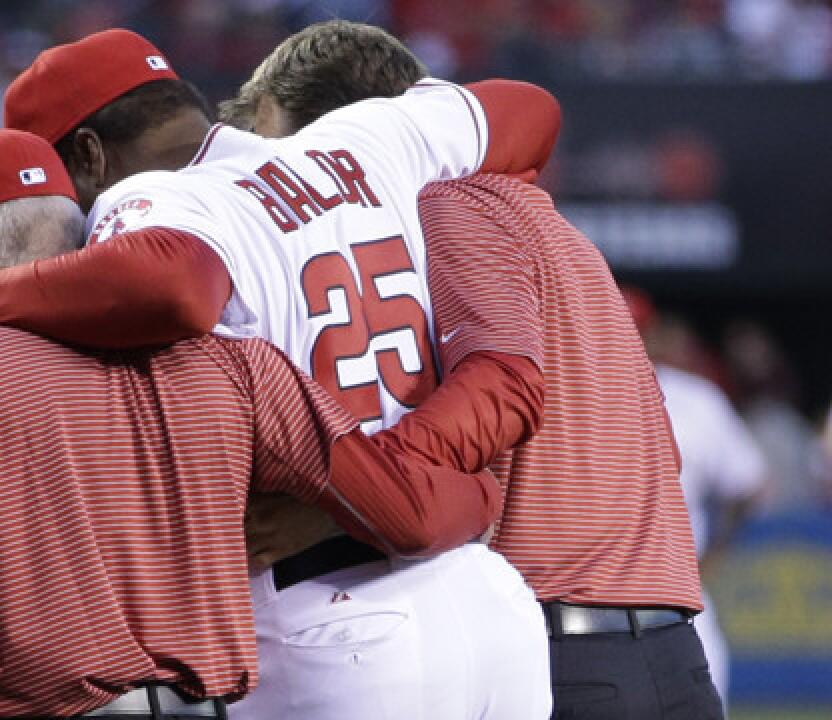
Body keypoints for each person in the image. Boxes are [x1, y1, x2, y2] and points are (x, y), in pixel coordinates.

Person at [0, 26, 556, 719]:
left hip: (324, 625)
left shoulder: (142, 209)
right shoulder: (358, 137)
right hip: (483, 597)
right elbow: (532, 111)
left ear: (87, 156)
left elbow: (176, 284)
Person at [215, 24, 720, 719]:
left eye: (278, 149)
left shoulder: (446, 203)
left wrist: (339, 507)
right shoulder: (559, 233)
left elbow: (502, 392)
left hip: (562, 655)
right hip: (667, 654)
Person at [628, 291, 767, 707]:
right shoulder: (562, 392)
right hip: (588, 601)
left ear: (651, 335)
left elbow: (750, 484)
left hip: (680, 594)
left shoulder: (695, 399)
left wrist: (715, 554)